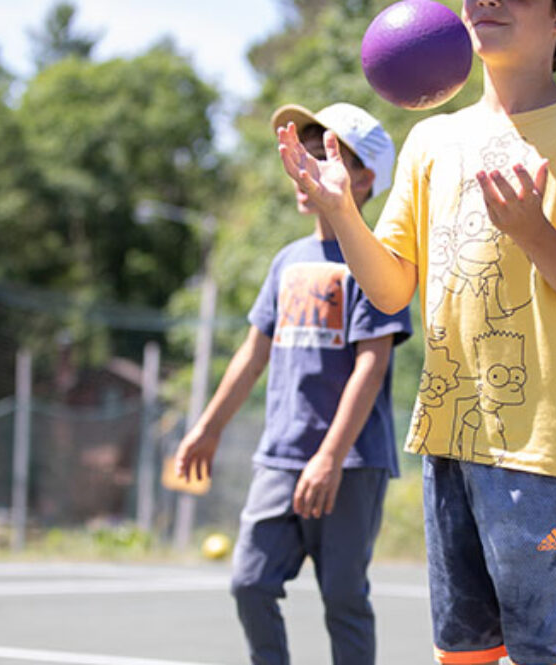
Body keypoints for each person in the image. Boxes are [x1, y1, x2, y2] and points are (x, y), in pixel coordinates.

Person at [276, 1, 556, 663]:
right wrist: (342, 212)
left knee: (550, 654)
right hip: (448, 440)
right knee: (463, 656)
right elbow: (389, 288)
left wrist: (533, 232)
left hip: (545, 454)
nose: (487, 1)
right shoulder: (432, 140)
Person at [175, 102, 412, 665]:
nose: (304, 166)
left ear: (364, 179)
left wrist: (330, 457)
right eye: (302, 152)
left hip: (350, 465)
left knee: (344, 599)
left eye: (324, 155)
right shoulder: (288, 260)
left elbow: (370, 366)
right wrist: (206, 429)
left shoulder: (377, 262)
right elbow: (253, 353)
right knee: (250, 583)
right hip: (279, 459)